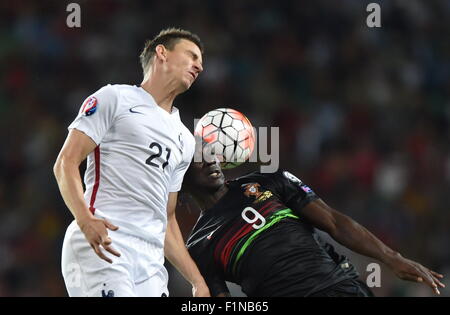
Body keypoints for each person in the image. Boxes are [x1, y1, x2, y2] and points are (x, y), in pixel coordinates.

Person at [53, 28, 210, 297]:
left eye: (201, 61)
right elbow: (66, 162)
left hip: (150, 262)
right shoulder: (115, 98)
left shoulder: (185, 139)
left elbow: (167, 217)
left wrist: (197, 282)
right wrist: (85, 219)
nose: (199, 66)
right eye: (191, 55)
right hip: (105, 242)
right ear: (162, 53)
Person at [183, 154, 446, 297]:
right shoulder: (197, 247)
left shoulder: (269, 181)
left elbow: (333, 222)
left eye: (209, 152)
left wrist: (392, 258)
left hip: (338, 288)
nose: (209, 160)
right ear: (179, 174)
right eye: (196, 158)